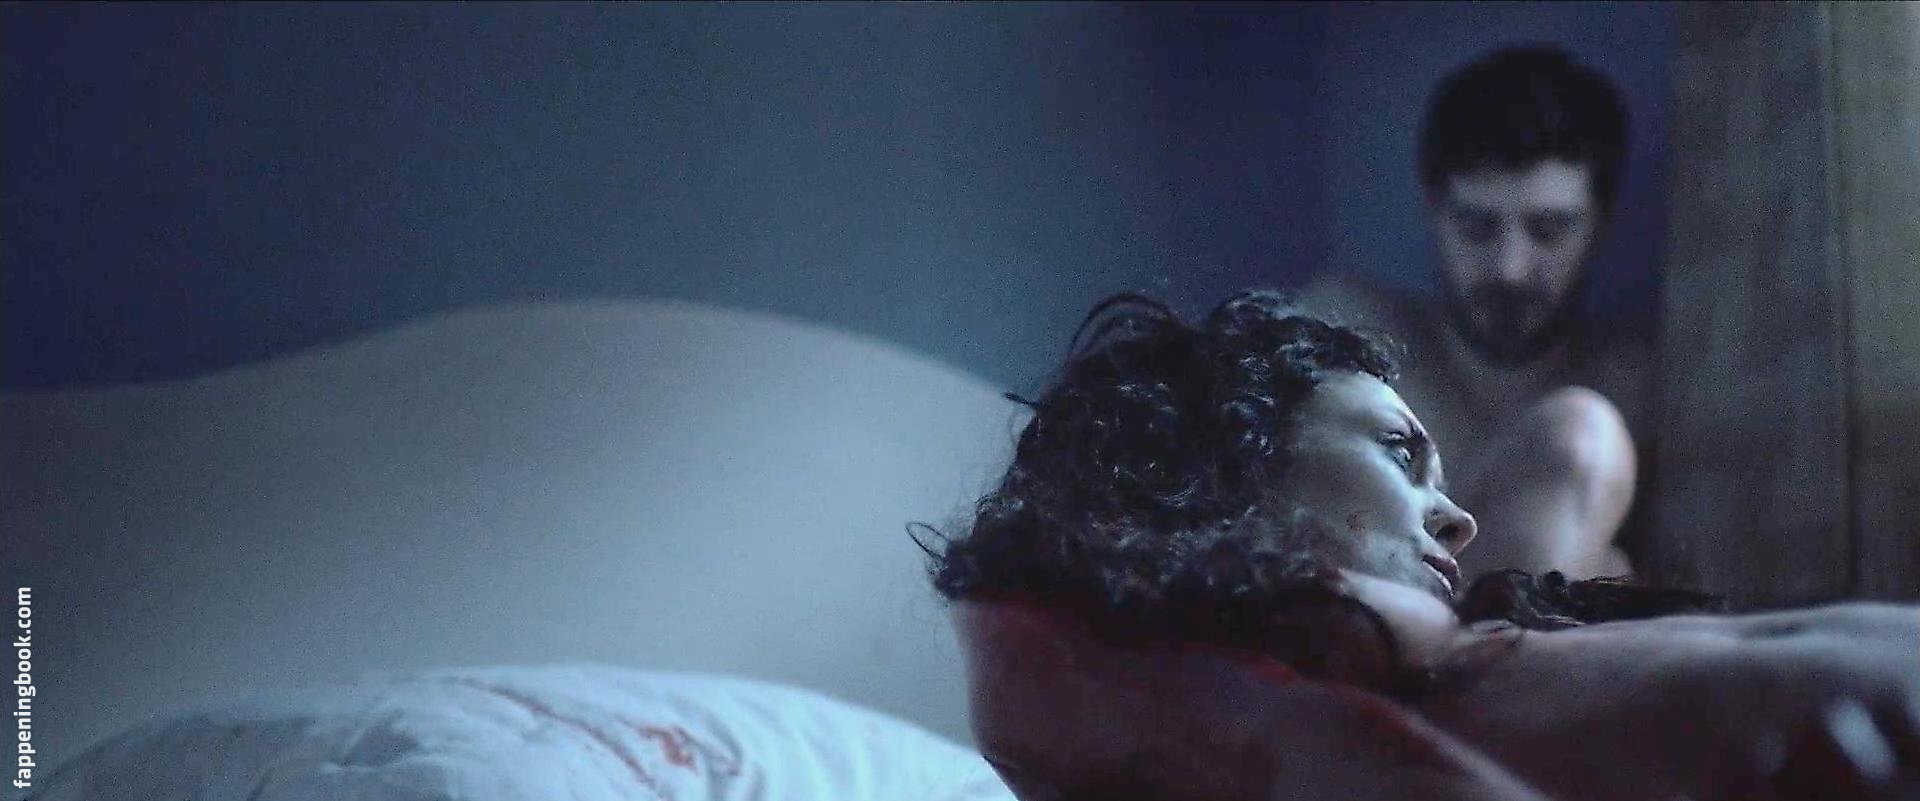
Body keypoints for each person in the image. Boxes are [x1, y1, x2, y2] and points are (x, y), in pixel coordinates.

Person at [923, 291, 1920, 801]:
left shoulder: (1371, 651)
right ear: (1234, 458)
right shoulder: (1141, 683)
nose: (1460, 519)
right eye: (1401, 456)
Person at [1298, 45, 1647, 581]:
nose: (1510, 268)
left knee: (1585, 435)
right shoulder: (1352, 336)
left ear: (1601, 221)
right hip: (1387, 620)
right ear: (1433, 208)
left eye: (1549, 231)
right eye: (1476, 228)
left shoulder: (1645, 385)